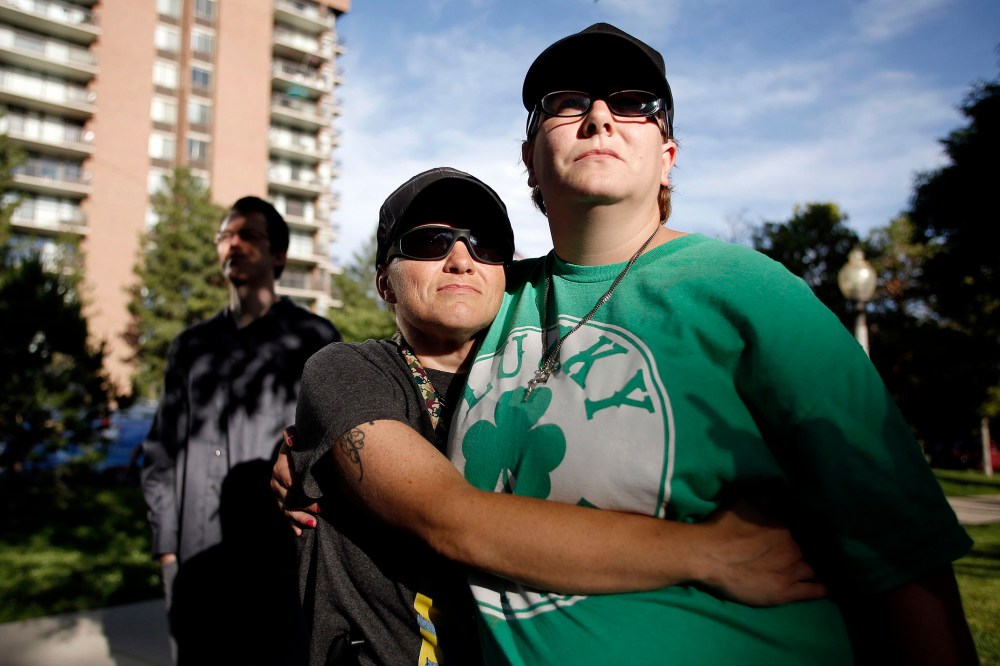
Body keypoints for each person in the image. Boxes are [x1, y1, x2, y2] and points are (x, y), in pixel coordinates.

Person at [445, 22, 977, 665]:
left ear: (669, 155)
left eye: (634, 102)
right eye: (567, 102)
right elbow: (387, 382)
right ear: (529, 154)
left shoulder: (752, 293)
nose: (600, 117)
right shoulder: (485, 298)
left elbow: (898, 547)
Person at [280, 167, 827, 666]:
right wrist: (714, 553)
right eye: (430, 242)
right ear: (383, 282)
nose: (461, 258)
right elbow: (447, 517)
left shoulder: (541, 379)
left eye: (485, 244)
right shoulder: (345, 370)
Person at [142, 195, 340, 663]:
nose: (233, 244)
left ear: (278, 255)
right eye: (225, 236)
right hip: (194, 561)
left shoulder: (315, 341)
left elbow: (332, 453)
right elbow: (161, 451)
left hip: (276, 563)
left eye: (248, 235)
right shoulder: (190, 347)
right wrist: (166, 546)